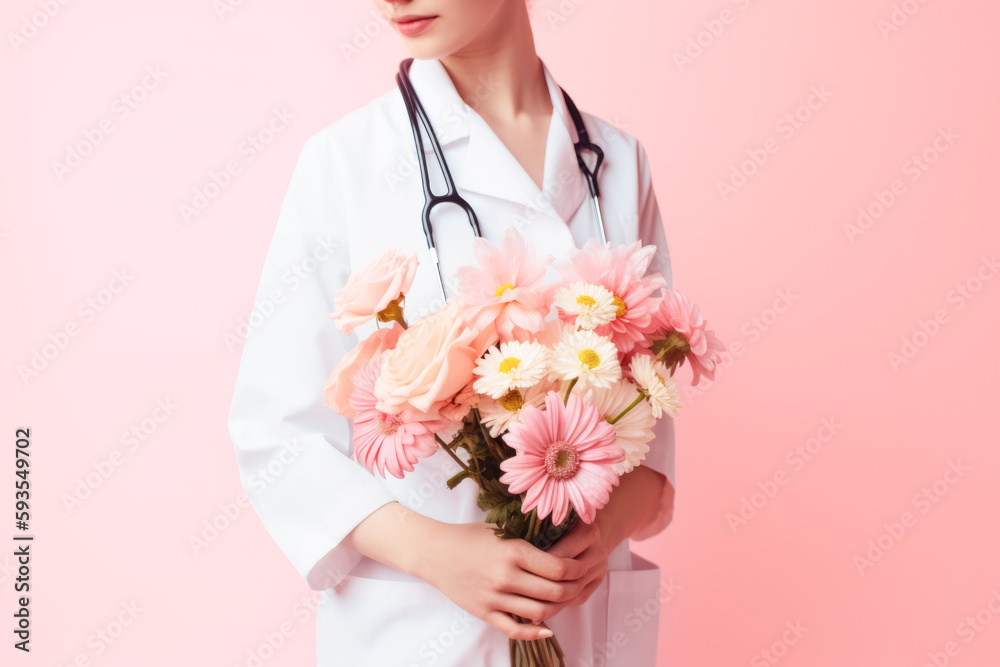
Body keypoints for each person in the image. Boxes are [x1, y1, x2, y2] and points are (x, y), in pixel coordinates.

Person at [227, 0, 677, 664]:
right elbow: (277, 431)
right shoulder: (345, 163)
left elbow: (654, 416)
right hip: (417, 631)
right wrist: (437, 554)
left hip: (585, 624)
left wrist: (601, 534)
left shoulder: (615, 161)